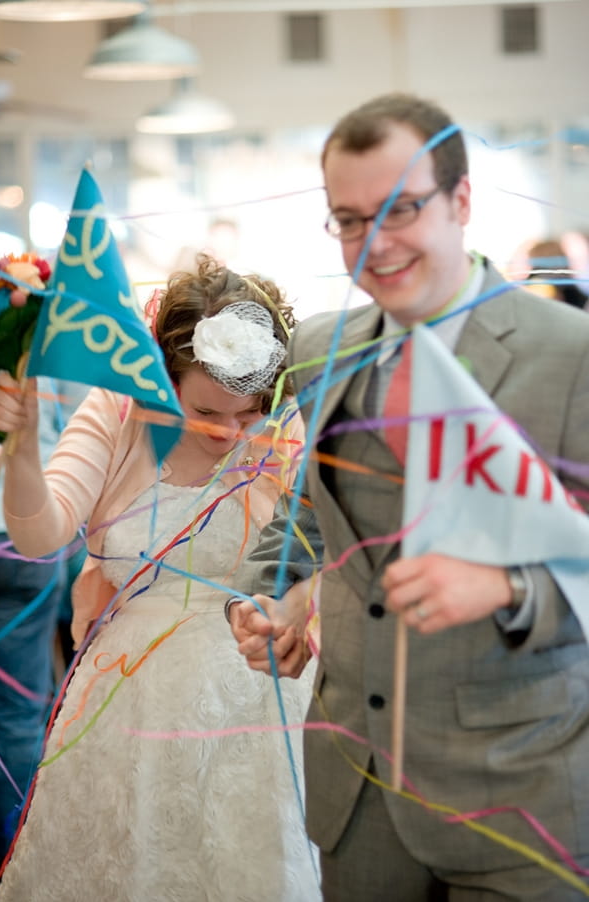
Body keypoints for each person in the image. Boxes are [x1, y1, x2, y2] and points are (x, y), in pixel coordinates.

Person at [228, 93, 589, 900]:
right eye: (349, 219)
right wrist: (270, 600)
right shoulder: (320, 349)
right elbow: (303, 520)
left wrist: (506, 587)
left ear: (462, 202)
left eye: (400, 210)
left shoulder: (571, 356)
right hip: (357, 797)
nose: (375, 243)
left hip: (519, 796)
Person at [0, 254, 320, 901]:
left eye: (246, 414)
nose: (228, 432)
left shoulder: (286, 426)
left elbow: (316, 551)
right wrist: (22, 448)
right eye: (206, 412)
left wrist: (295, 607)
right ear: (164, 377)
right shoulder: (117, 413)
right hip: (128, 706)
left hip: (260, 705)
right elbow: (42, 530)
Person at [0, 380, 66, 884]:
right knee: (16, 721)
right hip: (26, 530)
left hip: (25, 536)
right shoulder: (53, 310)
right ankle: (14, 874)